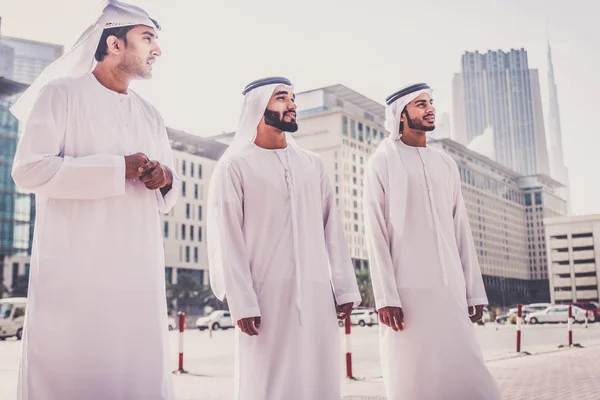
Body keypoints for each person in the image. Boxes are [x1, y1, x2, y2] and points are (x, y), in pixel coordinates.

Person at [10, 1, 178, 399]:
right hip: (76, 275)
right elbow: (29, 170)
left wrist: (164, 178)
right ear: (115, 43)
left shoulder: (150, 114)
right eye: (148, 38)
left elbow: (168, 187)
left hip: (139, 273)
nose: (158, 50)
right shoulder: (61, 94)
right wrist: (117, 167)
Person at [207, 77, 361, 400]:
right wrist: (242, 301)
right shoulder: (234, 166)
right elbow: (228, 239)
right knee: (267, 381)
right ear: (258, 108)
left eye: (293, 99)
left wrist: (344, 286)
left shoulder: (312, 165)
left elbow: (331, 228)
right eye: (282, 98)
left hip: (317, 295)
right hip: (265, 299)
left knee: (319, 378)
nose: (292, 105)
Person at [363, 83, 502, 400]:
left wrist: (473, 289)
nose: (429, 109)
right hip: (407, 294)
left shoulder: (445, 164)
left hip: (450, 287)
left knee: (468, 370)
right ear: (401, 115)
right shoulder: (381, 163)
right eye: (420, 104)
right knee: (413, 374)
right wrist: (386, 297)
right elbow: (376, 232)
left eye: (430, 103)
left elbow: (461, 229)